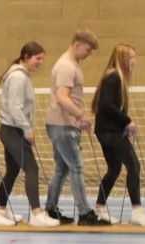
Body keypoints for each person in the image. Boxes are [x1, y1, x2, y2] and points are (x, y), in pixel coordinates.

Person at [0, 42, 60, 227]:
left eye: (42, 59)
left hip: (14, 130)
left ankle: (0, 209)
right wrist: (27, 129)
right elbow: (15, 107)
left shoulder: (23, 76)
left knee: (12, 171)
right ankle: (36, 213)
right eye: (38, 58)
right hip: (12, 131)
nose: (41, 62)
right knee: (32, 168)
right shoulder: (18, 78)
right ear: (26, 57)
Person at [43, 28, 109, 226]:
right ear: (77, 44)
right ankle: (85, 213)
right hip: (63, 125)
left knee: (62, 169)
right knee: (76, 166)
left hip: (60, 123)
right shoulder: (66, 66)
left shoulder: (70, 64)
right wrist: (80, 116)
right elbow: (62, 98)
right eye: (88, 50)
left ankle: (50, 209)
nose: (89, 54)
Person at [90, 44, 145, 227]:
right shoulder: (113, 77)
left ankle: (99, 209)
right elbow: (106, 105)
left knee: (114, 170)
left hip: (109, 131)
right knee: (134, 166)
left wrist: (123, 125)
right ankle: (137, 211)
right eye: (131, 58)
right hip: (109, 132)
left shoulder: (116, 77)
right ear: (122, 59)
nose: (134, 61)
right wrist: (127, 121)